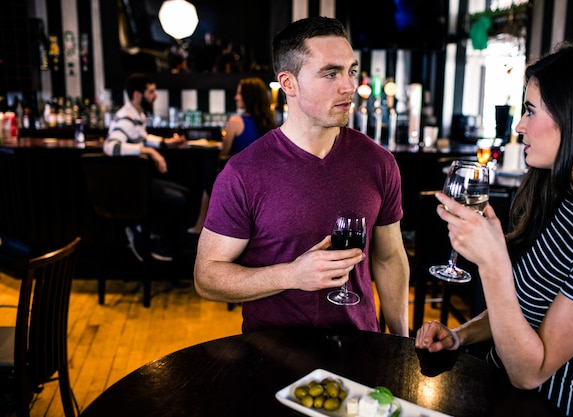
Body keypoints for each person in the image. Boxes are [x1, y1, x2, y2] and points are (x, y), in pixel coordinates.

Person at [414, 43, 573, 417]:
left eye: (530, 111)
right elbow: (522, 312)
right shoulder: (565, 196)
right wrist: (460, 336)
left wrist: (492, 261)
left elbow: (529, 372)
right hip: (497, 398)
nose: (519, 126)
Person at [193, 16, 410, 336]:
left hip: (360, 349)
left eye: (351, 70)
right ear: (288, 83)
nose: (349, 86)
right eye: (330, 73)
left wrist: (401, 344)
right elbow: (207, 278)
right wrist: (292, 275)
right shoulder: (243, 173)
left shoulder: (378, 162)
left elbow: (390, 258)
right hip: (270, 356)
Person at [104, 74, 188, 262]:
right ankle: (150, 234)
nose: (155, 95)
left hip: (136, 180)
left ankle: (145, 231)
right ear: (137, 95)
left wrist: (166, 143)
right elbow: (111, 146)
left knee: (184, 193)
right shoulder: (125, 116)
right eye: (151, 91)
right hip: (128, 185)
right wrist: (151, 153)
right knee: (180, 199)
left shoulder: (137, 115)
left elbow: (141, 137)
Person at [187, 77, 276, 234]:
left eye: (239, 93)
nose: (236, 97)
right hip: (263, 178)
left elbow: (224, 154)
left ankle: (200, 225)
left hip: (239, 179)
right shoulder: (269, 122)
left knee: (210, 179)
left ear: (249, 96)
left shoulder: (236, 121)